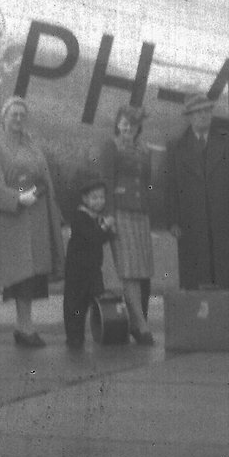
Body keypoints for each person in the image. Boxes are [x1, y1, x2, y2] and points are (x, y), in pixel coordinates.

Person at [0, 96, 65, 348]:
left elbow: (44, 178)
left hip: (37, 218)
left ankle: (24, 326)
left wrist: (50, 207)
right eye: (13, 114)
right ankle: (24, 327)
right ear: (4, 117)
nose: (18, 119)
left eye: (22, 115)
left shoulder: (33, 146)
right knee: (21, 274)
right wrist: (18, 198)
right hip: (14, 221)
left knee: (33, 275)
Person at [164, 93, 229, 290]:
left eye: (207, 110)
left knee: (228, 277)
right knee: (196, 278)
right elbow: (171, 186)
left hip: (224, 221)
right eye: (198, 112)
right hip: (191, 222)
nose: (203, 115)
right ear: (189, 116)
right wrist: (173, 221)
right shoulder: (176, 146)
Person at [96, 105, 156, 345]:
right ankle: (141, 324)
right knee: (129, 270)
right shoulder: (111, 146)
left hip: (140, 214)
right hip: (120, 212)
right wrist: (108, 213)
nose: (127, 127)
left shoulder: (144, 149)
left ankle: (136, 321)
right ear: (117, 124)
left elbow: (147, 182)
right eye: (124, 122)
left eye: (132, 123)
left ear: (139, 126)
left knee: (141, 269)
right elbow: (106, 181)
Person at [62, 177, 114, 349]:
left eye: (102, 197)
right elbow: (93, 237)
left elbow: (102, 238)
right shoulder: (80, 216)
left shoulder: (97, 217)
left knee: (98, 299)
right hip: (77, 270)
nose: (99, 201)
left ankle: (104, 330)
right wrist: (105, 227)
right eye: (94, 198)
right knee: (76, 304)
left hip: (93, 269)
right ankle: (74, 337)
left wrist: (110, 231)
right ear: (85, 199)